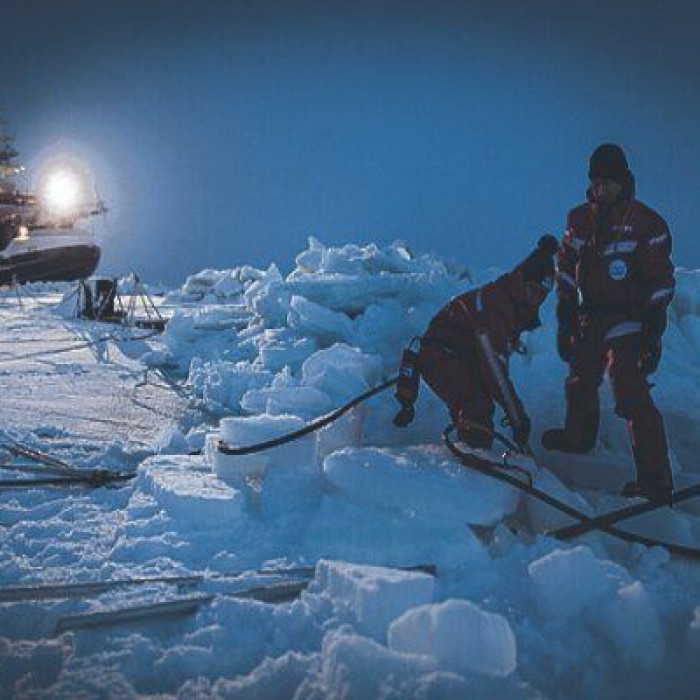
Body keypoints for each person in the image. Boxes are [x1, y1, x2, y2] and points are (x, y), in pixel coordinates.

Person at [541, 144, 676, 500]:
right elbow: (566, 266)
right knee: (580, 377)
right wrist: (566, 311)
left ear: (623, 182)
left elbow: (660, 279)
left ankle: (655, 481)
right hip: (593, 316)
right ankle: (578, 438)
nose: (600, 190)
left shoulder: (647, 223)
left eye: (608, 183)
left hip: (631, 317)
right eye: (595, 182)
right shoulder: (579, 220)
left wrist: (652, 327)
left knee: (628, 385)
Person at [393, 235, 558, 451]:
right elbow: (493, 367)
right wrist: (516, 416)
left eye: (542, 294)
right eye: (533, 290)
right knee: (476, 404)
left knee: (478, 403)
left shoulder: (509, 310)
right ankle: (471, 462)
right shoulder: (495, 304)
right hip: (441, 354)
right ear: (521, 282)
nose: (536, 299)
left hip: (459, 359)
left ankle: (471, 453)